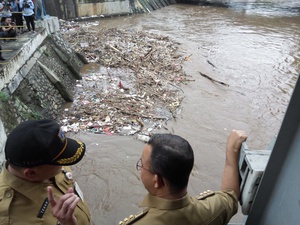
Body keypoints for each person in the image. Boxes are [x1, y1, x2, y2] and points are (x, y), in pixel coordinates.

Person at [118, 130, 247, 225]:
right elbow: (230, 195)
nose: (140, 169)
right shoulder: (211, 210)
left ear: (157, 180)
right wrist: (232, 149)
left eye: (142, 165)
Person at [0, 119, 91, 225]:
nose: (64, 166)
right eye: (59, 163)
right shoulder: (11, 218)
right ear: (31, 173)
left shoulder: (46, 167)